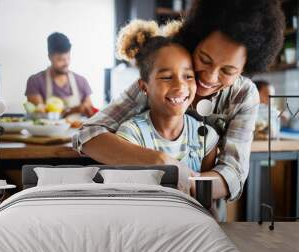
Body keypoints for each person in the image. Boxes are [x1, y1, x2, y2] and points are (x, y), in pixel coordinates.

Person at [73, 0, 285, 202]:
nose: (209, 78)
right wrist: (161, 162)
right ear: (196, 40)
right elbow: (88, 134)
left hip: (201, 215)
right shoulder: (164, 76)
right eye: (204, 59)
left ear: (245, 69)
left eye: (228, 70)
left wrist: (187, 181)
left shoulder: (243, 95)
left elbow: (233, 174)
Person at [115, 20, 218, 175]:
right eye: (167, 77)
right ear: (144, 87)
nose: (180, 86)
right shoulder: (131, 135)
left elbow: (206, 197)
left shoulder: (205, 137)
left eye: (188, 76)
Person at [25, 32, 95, 117]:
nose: (66, 63)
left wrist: (87, 109)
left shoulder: (81, 81)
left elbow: (90, 110)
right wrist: (73, 110)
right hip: (48, 130)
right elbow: (40, 115)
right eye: (60, 59)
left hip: (77, 130)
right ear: (49, 57)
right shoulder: (35, 81)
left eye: (68, 58)